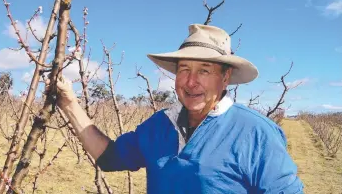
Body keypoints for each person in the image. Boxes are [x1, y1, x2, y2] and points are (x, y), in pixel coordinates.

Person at [56, 24, 304, 193]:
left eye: (204, 70)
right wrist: (69, 103)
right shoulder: (160, 125)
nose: (191, 81)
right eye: (184, 69)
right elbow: (109, 158)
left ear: (225, 78)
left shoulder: (255, 132)